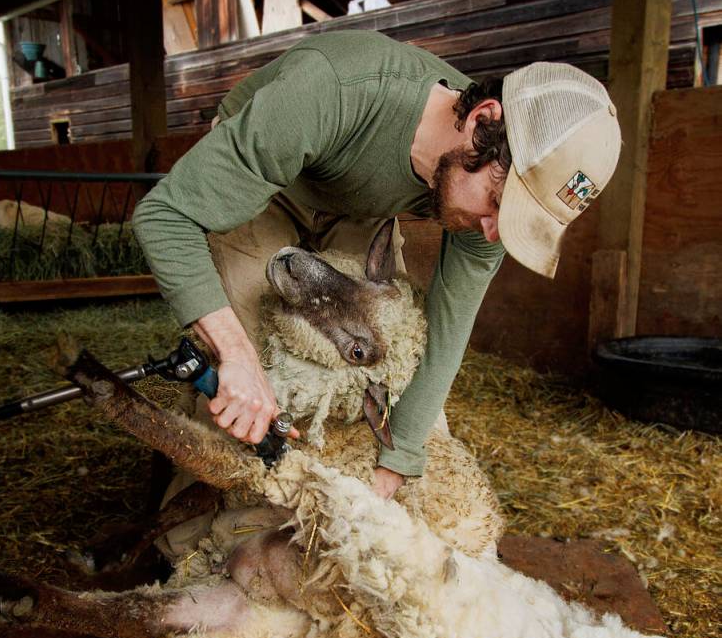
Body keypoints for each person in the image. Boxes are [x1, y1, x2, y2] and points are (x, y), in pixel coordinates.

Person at [132, 30, 621, 499]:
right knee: (258, 375)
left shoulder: (489, 211)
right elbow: (165, 216)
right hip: (262, 185)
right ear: (480, 122)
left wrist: (399, 455)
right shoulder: (336, 87)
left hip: (360, 202)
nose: (494, 232)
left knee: (388, 363)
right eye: (498, 203)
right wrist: (238, 355)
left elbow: (448, 326)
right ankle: (190, 539)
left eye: (513, 222)